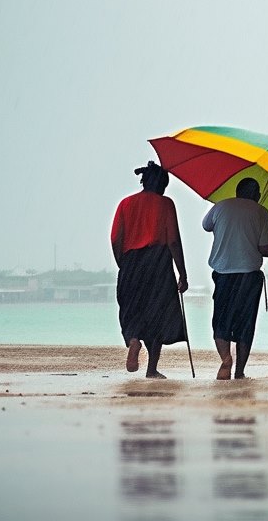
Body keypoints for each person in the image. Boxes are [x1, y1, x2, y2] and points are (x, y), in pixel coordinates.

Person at [110, 162, 189, 378]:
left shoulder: (126, 204)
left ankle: (134, 340)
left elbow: (116, 238)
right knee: (158, 314)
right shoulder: (166, 204)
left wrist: (123, 263)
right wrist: (182, 272)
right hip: (159, 263)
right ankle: (151, 369)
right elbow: (173, 241)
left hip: (131, 262)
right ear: (161, 184)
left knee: (131, 310)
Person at [202, 177, 268, 380]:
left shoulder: (221, 206)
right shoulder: (262, 212)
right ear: (257, 195)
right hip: (249, 276)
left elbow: (206, 226)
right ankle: (240, 370)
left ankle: (226, 358)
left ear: (237, 191)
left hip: (223, 273)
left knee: (221, 321)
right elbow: (265, 249)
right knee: (245, 324)